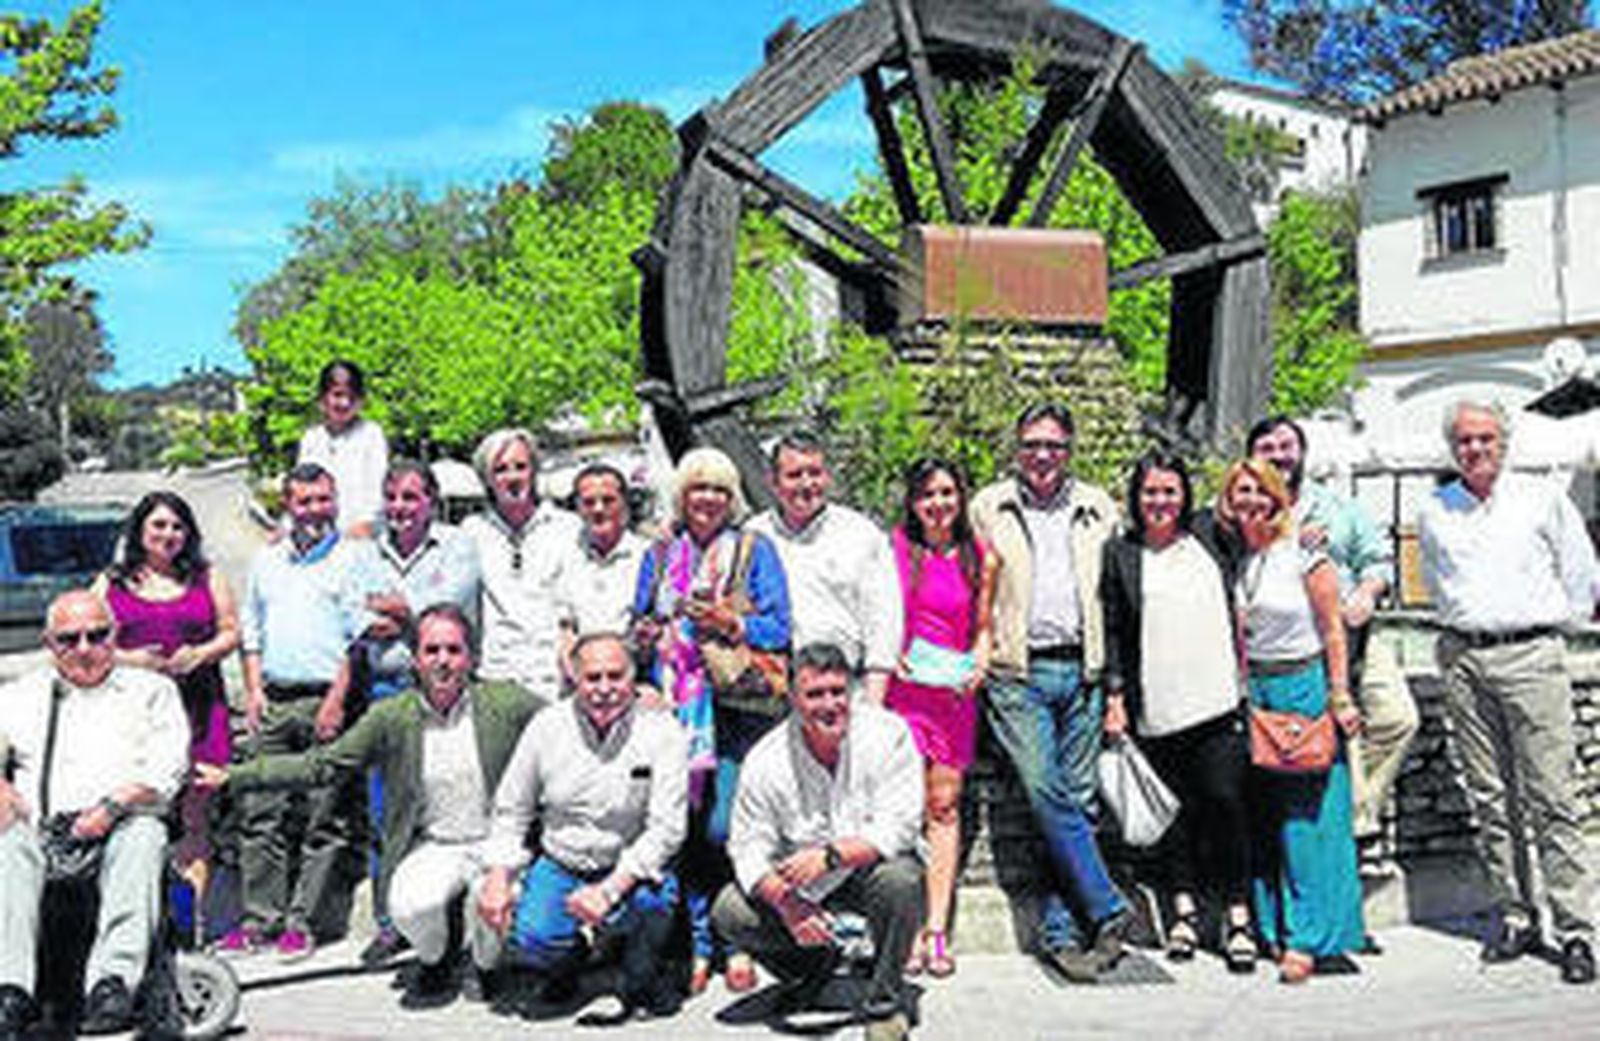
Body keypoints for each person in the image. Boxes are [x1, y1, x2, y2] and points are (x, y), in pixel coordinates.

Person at [196, 605, 538, 1006]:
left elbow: (560, 729)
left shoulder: (507, 704)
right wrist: (238, 776)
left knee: (496, 896)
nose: (442, 661)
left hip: (495, 843)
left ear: (471, 656)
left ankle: (485, 965)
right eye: (431, 651)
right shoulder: (391, 716)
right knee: (409, 906)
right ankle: (438, 958)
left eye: (453, 650)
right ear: (415, 659)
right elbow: (322, 766)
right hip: (435, 843)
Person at [1418, 399, 1596, 985]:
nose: (1475, 449)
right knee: (1491, 799)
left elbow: (1580, 570)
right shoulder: (1437, 508)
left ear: (1504, 441)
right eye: (1465, 440)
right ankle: (1517, 915)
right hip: (1464, 656)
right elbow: (1437, 583)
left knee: (1553, 797)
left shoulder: (1541, 497)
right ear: (1453, 448)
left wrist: (1553, 627)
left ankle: (1576, 930)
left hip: (1531, 653)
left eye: (1485, 438)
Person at [968, 402, 1130, 975]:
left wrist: (1114, 686)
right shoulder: (988, 507)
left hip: (1083, 671)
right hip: (1018, 672)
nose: (1043, 455)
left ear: (1070, 450)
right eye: (1033, 444)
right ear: (1017, 448)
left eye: (1054, 446)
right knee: (1045, 790)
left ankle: (1065, 934)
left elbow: (1114, 597)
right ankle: (1108, 905)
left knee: (1079, 802)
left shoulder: (1098, 507)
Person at [632, 446, 791, 995]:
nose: (708, 499)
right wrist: (649, 639)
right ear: (682, 494)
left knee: (725, 826)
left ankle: (735, 939)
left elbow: (782, 629)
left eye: (719, 489)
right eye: (698, 488)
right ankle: (700, 942)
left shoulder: (753, 550)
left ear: (732, 498)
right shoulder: (659, 555)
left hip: (736, 709)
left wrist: (730, 621)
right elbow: (638, 624)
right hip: (676, 710)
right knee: (684, 828)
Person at [0, 590, 189, 1038]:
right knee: (7, 843)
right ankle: (10, 989)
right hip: (43, 830)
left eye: (97, 635)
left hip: (121, 823)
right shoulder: (21, 696)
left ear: (115, 636)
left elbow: (167, 769)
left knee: (144, 833)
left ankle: (113, 982)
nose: (84, 648)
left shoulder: (152, 691)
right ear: (50, 644)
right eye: (69, 639)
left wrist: (113, 805)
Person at [713, 642, 924, 1041]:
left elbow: (902, 827)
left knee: (902, 878)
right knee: (730, 911)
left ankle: (884, 1007)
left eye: (837, 692)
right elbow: (747, 847)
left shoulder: (888, 734)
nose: (829, 704)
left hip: (865, 871)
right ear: (793, 698)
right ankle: (811, 970)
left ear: (852, 692)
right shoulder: (767, 759)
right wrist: (788, 903)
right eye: (815, 694)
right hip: (804, 885)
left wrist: (832, 857)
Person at [477, 632, 688, 1017]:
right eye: (593, 678)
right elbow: (511, 808)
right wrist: (497, 875)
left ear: (634, 676)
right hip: (562, 861)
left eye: (615, 676)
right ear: (574, 677)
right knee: (533, 938)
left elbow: (667, 830)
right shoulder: (546, 726)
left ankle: (641, 977)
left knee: (653, 903)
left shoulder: (664, 732)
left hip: (627, 865)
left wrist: (607, 892)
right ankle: (569, 964)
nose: (604, 688)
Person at [1100, 453, 1256, 972]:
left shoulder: (1211, 536)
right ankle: (1183, 911)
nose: (1160, 501)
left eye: (1169, 491)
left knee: (1226, 803)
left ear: (1185, 495)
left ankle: (1238, 916)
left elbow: (1263, 507)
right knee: (1175, 816)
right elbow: (1116, 630)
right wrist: (1116, 696)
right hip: (1157, 705)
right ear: (1136, 497)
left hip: (1217, 701)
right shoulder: (1121, 553)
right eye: (1150, 492)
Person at [224, 462, 385, 960]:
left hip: (328, 701)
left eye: (323, 500)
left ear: (334, 502)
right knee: (260, 814)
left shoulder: (355, 558)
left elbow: (358, 638)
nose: (315, 510)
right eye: (305, 501)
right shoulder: (267, 562)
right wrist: (253, 690)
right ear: (288, 506)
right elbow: (251, 628)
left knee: (325, 818)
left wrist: (337, 701)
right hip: (275, 698)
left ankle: (304, 923)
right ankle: (260, 921)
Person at [1219, 458, 1364, 984]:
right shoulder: (1241, 560)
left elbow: (1333, 630)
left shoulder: (1304, 554)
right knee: (1267, 815)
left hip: (1301, 685)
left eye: (1259, 490)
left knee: (1307, 820)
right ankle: (1276, 925)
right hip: (1257, 690)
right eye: (1240, 492)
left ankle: (1310, 936)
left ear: (1277, 496)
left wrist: (1340, 695)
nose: (1250, 500)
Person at [1247, 416, 1418, 852]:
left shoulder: (1338, 507)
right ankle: (1346, 828)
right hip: (1291, 647)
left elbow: (1379, 560)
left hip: (1353, 631)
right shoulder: (1246, 506)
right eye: (1268, 448)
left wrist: (1366, 591)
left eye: (1287, 446)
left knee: (1399, 719)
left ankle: (1358, 812)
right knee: (1326, 737)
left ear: (1302, 453)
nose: (1279, 456)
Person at [358, 458, 482, 963]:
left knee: (448, 804)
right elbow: (355, 611)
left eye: (411, 497)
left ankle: (454, 921)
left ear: (431, 500)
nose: (400, 508)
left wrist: (404, 614)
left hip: (445, 691)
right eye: (393, 497)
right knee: (385, 810)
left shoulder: (457, 545)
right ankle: (391, 922)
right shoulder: (368, 553)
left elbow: (446, 615)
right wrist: (409, 614)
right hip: (385, 690)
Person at [884, 458, 995, 978]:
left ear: (961, 496)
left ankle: (936, 929)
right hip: (903, 694)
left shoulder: (979, 556)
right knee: (902, 809)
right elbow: (880, 615)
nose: (938, 504)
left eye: (947, 492)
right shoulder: (896, 550)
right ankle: (901, 931)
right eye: (927, 494)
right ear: (912, 501)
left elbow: (983, 626)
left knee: (944, 807)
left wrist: (981, 661)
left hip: (951, 695)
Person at [93, 492, 239, 874]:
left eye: (178, 526)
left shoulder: (208, 576)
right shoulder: (111, 583)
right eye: (159, 524)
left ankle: (192, 921)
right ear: (140, 529)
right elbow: (86, 641)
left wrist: (200, 654)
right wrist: (132, 660)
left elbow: (231, 633)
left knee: (196, 815)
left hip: (201, 709)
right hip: (136, 715)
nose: (169, 533)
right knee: (139, 813)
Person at [746, 431, 903, 702]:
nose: (807, 484)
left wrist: (873, 705)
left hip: (845, 693)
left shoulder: (861, 534)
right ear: (773, 482)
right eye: (794, 475)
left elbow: (883, 622)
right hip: (771, 693)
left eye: (815, 473)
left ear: (827, 477)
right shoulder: (752, 537)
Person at [461, 428, 582, 701]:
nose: (513, 477)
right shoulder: (471, 532)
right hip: (495, 677)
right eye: (501, 470)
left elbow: (576, 603)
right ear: (487, 480)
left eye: (521, 467)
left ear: (534, 471)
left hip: (555, 679)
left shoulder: (568, 527)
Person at [553, 462, 647, 680]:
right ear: (577, 507)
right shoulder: (564, 556)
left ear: (624, 504)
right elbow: (564, 628)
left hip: (635, 680)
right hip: (579, 679)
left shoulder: (648, 557)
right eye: (588, 502)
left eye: (608, 500)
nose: (598, 509)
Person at [296, 359, 389, 540]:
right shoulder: (311, 438)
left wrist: (366, 524)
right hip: (319, 538)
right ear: (322, 398)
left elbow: (379, 489)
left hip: (363, 537)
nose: (344, 403)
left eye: (352, 396)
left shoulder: (371, 434)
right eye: (337, 395)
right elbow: (301, 489)